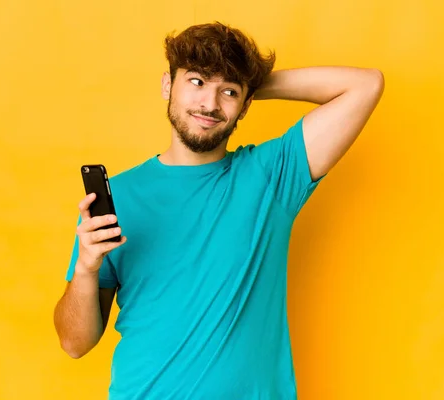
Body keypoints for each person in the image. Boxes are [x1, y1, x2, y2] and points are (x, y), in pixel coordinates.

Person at [53, 21, 384, 399]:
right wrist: (86, 269)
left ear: (245, 105)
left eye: (227, 91)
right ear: (167, 85)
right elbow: (74, 344)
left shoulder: (271, 177)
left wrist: (250, 83)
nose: (210, 104)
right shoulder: (120, 197)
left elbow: (366, 85)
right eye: (196, 82)